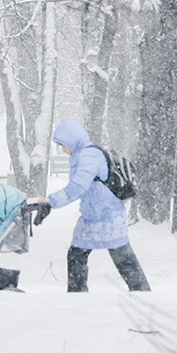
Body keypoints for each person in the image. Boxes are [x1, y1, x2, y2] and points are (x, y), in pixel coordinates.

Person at [30, 119, 150, 292]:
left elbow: (78, 187)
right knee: (76, 255)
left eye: (64, 145)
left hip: (108, 218)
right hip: (91, 218)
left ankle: (143, 294)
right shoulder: (81, 155)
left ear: (73, 139)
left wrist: (52, 201)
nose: (63, 150)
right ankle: (78, 295)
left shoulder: (89, 157)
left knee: (122, 258)